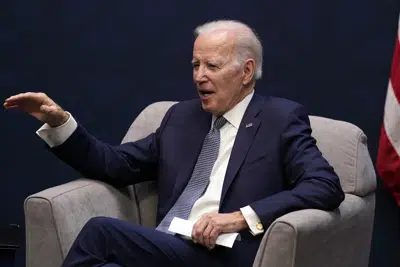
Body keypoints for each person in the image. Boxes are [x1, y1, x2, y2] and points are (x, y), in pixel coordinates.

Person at [3, 20, 345, 267]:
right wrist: (60, 122)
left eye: (212, 65)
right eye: (195, 65)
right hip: (167, 247)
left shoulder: (280, 119)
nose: (199, 76)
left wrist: (239, 218)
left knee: (100, 233)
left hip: (223, 254)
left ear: (246, 71)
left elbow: (325, 185)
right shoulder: (181, 118)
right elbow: (114, 165)